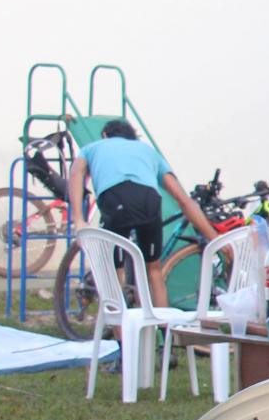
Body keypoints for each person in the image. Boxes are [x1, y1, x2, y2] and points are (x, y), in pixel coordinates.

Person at [66, 119, 217, 308]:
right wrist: (216, 239)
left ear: (105, 135)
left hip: (115, 198)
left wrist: (79, 219)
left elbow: (76, 174)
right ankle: (162, 324)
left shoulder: (91, 148)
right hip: (149, 200)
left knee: (114, 272)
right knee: (154, 271)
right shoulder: (147, 150)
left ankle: (119, 325)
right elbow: (183, 200)